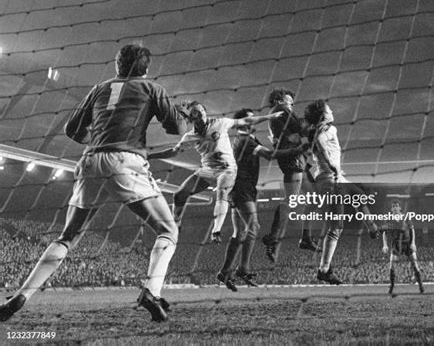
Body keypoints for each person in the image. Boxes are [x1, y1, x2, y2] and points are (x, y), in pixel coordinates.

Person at [0, 44, 188, 323]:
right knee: (168, 229)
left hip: (90, 161)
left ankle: (21, 296)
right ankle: (151, 291)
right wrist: (181, 115)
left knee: (68, 236)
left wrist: (101, 140)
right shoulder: (152, 88)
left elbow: (72, 130)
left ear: (118, 66)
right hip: (126, 161)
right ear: (146, 69)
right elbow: (176, 129)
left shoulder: (100, 88)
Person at [149, 101, 283, 243]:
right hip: (207, 170)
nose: (201, 113)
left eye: (202, 110)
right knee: (179, 195)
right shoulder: (189, 137)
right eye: (195, 112)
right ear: (190, 117)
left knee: (222, 192)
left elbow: (246, 120)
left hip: (227, 169)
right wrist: (150, 155)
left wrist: (270, 116)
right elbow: (173, 152)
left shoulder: (220, 123)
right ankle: (176, 224)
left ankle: (216, 230)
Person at [216, 108, 308, 291]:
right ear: (242, 123)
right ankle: (243, 269)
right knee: (254, 228)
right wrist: (298, 150)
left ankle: (225, 272)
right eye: (249, 119)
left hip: (240, 188)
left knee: (238, 232)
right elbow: (270, 155)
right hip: (242, 189)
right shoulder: (245, 141)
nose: (253, 122)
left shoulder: (244, 140)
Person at [304, 99, 380, 285]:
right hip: (331, 180)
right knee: (336, 227)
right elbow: (321, 146)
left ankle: (372, 228)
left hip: (335, 178)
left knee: (359, 195)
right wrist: (333, 166)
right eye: (329, 110)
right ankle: (324, 270)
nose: (332, 112)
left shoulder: (321, 130)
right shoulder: (327, 131)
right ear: (323, 115)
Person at [262, 88, 315, 263]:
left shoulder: (282, 113)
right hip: (291, 158)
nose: (291, 102)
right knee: (290, 201)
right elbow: (300, 129)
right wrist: (312, 122)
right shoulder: (280, 112)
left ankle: (306, 238)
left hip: (296, 158)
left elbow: (298, 131)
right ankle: (273, 238)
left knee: (314, 196)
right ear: (278, 100)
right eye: (288, 99)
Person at [382, 199, 424, 295]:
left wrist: (413, 243)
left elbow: (412, 230)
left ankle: (421, 286)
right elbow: (384, 232)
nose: (395, 208)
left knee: (415, 265)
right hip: (396, 244)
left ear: (400, 208)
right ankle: (392, 286)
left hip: (407, 243)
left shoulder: (406, 217)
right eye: (393, 206)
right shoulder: (389, 219)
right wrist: (385, 245)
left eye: (397, 206)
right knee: (391, 266)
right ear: (391, 208)